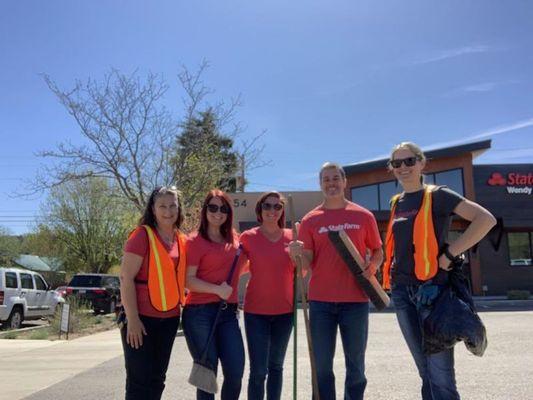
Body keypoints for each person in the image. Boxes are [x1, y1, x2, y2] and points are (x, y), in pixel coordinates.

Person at [382, 142, 496, 400]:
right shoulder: (396, 203)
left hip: (432, 293)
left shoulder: (438, 195)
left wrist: (450, 254)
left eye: (409, 161)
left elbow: (485, 220)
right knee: (424, 371)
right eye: (397, 163)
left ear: (422, 163)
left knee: (441, 375)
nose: (403, 167)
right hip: (402, 293)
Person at [289, 162, 383, 400]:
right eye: (326, 179)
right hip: (321, 303)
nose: (331, 183)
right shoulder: (311, 220)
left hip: (356, 302)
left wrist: (372, 266)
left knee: (356, 367)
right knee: (321, 367)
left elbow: (378, 250)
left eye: (335, 178)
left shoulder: (363, 216)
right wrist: (296, 254)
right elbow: (305, 265)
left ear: (344, 181)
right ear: (320, 184)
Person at [119, 186, 187, 400]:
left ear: (179, 208)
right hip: (141, 320)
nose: (168, 211)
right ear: (153, 209)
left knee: (157, 379)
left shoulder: (180, 239)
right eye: (162, 206)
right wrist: (133, 319)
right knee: (139, 382)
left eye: (173, 206)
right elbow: (125, 278)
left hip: (168, 320)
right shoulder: (142, 235)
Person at [183, 189, 247, 400]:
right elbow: (188, 280)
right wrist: (217, 289)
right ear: (205, 210)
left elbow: (243, 265)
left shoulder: (235, 239)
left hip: (228, 314)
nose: (218, 213)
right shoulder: (195, 241)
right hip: (199, 313)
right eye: (213, 207)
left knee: (236, 370)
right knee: (207, 374)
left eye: (223, 208)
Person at [240, 191, 294, 400]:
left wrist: (300, 255)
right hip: (256, 313)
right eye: (267, 206)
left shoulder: (293, 236)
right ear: (260, 210)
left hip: (285, 312)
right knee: (258, 371)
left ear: (282, 211)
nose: (272, 210)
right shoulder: (248, 237)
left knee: (276, 367)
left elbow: (303, 271)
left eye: (277, 206)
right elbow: (238, 267)